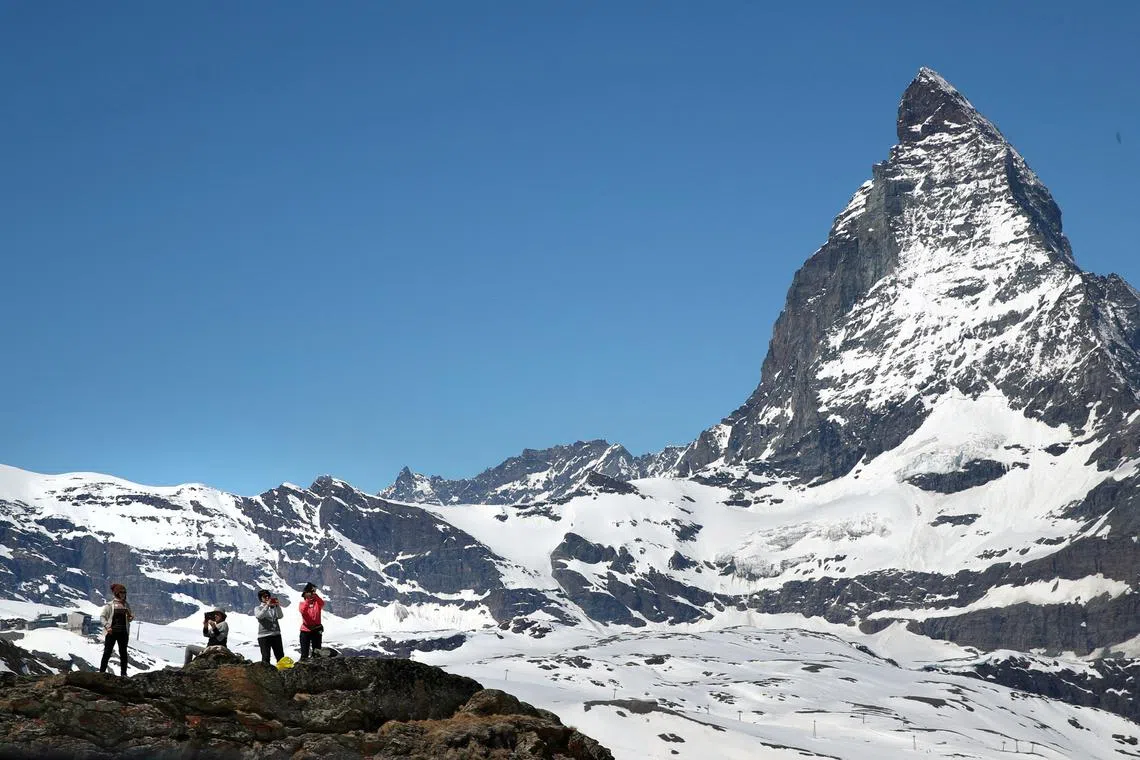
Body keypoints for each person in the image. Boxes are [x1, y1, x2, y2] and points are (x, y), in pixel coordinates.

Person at [98, 583, 134, 677]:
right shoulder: (110, 605)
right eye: (121, 592)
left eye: (124, 592)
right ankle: (101, 672)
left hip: (123, 633)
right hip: (111, 632)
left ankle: (123, 674)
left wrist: (130, 618)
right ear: (117, 593)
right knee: (107, 652)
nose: (123, 594)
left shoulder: (126, 605)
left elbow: (128, 618)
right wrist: (107, 626)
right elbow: (102, 617)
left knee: (123, 653)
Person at [253, 589, 284, 665]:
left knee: (280, 656)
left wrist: (277, 606)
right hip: (264, 636)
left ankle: (283, 672)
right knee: (266, 657)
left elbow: (280, 616)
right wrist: (267, 606)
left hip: (276, 634)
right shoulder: (258, 608)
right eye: (264, 596)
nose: (267, 598)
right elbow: (259, 616)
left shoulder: (273, 608)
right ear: (261, 598)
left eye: (268, 596)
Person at [297, 582, 325, 661]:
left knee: (317, 652)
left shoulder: (317, 603)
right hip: (305, 630)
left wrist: (315, 595)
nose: (312, 594)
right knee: (304, 653)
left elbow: (322, 603)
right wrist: (308, 600)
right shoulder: (302, 604)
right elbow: (303, 611)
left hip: (317, 629)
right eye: (310, 592)